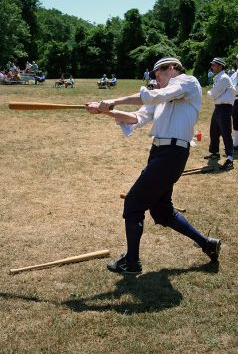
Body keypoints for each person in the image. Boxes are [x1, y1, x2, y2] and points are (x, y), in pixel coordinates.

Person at [86, 57, 221, 275]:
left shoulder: (188, 82)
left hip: (173, 154)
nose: (155, 78)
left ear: (171, 68)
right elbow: (135, 118)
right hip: (159, 153)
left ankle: (131, 262)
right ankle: (207, 243)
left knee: (133, 203)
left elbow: (153, 95)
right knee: (162, 210)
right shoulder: (161, 95)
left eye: (157, 72)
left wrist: (111, 101)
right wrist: (105, 111)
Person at [204, 58, 236, 171]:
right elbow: (215, 94)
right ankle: (215, 152)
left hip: (225, 108)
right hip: (219, 107)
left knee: (226, 133)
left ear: (220, 66)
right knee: (214, 130)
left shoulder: (223, 78)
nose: (212, 67)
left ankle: (230, 159)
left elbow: (212, 94)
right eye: (212, 65)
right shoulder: (218, 77)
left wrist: (211, 93)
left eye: (214, 65)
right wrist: (215, 95)